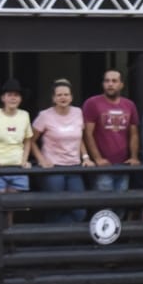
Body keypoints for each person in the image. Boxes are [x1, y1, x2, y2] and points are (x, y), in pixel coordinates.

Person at [29, 79, 88, 222]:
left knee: (80, 210)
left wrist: (85, 157)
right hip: (53, 168)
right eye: (59, 95)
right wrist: (41, 160)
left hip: (74, 166)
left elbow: (79, 138)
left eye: (66, 95)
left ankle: (67, 237)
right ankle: (52, 240)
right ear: (53, 98)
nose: (63, 98)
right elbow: (30, 140)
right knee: (55, 208)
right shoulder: (45, 115)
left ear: (71, 97)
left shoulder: (78, 112)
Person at [81, 68, 140, 192]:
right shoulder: (92, 103)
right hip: (102, 165)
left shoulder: (129, 105)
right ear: (103, 84)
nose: (110, 84)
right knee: (104, 205)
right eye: (107, 81)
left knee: (121, 204)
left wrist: (134, 157)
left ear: (121, 84)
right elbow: (87, 134)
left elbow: (134, 133)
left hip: (123, 164)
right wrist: (97, 158)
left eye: (114, 81)